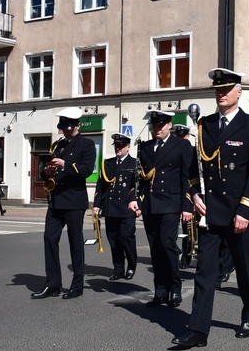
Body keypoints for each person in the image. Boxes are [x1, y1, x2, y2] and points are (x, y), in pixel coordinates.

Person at [172, 68, 249, 347]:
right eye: (217, 90)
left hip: (239, 212)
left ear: (239, 92)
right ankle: (198, 330)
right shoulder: (205, 125)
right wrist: (195, 195)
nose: (221, 94)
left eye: (227, 89)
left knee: (246, 269)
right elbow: (193, 168)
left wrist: (246, 211)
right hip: (210, 212)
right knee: (205, 272)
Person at [129, 110, 193, 308]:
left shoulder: (182, 145)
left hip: (171, 203)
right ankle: (160, 290)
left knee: (167, 245)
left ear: (169, 125)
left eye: (160, 125)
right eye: (154, 126)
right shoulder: (145, 147)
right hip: (150, 204)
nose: (157, 129)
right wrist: (134, 199)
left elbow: (187, 177)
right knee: (155, 248)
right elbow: (139, 176)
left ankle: (175, 287)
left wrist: (187, 205)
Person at [31, 107, 96, 300]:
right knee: (49, 239)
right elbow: (44, 170)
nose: (66, 132)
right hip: (56, 199)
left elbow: (86, 170)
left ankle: (77, 285)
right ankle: (52, 284)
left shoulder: (87, 144)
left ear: (77, 125)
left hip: (74, 200)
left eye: (69, 128)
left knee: (76, 243)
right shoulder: (57, 145)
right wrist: (47, 172)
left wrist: (65, 165)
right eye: (64, 128)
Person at [93, 133, 139, 281]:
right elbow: (101, 185)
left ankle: (131, 265)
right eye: (116, 146)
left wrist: (137, 203)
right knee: (113, 240)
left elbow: (137, 186)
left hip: (126, 207)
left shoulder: (135, 164)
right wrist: (96, 205)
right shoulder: (108, 163)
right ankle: (118, 268)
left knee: (127, 237)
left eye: (121, 146)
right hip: (111, 207)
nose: (118, 148)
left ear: (128, 147)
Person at [171, 124, 195, 269]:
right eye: (177, 136)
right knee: (179, 228)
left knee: (189, 228)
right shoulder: (172, 151)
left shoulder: (192, 151)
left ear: (187, 136)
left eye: (182, 136)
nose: (180, 139)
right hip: (176, 192)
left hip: (190, 192)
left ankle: (187, 256)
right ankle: (181, 253)